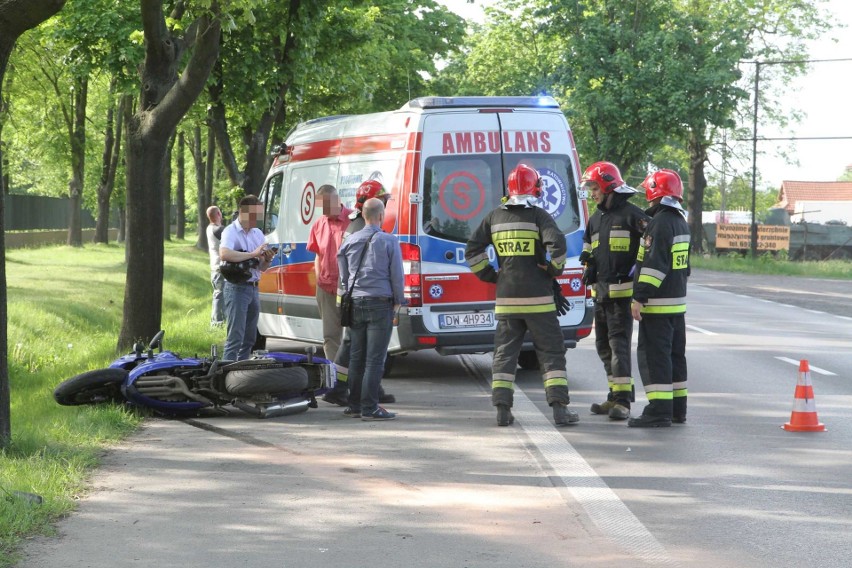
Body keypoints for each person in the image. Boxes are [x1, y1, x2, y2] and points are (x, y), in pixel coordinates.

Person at [465, 163, 578, 427]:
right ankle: (560, 410)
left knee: (504, 353)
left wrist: (493, 275)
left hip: (507, 300)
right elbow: (557, 244)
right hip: (539, 300)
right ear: (535, 188)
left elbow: (473, 250)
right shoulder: (539, 216)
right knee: (551, 353)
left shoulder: (494, 217)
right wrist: (552, 270)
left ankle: (503, 409)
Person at [580, 162, 650, 421]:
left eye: (594, 187)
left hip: (622, 295)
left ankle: (623, 402)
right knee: (603, 346)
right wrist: (588, 261)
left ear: (608, 185)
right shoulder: (596, 218)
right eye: (589, 188)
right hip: (600, 293)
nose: (592, 193)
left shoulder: (634, 215)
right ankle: (614, 395)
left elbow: (652, 247)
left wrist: (639, 281)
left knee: (618, 346)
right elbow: (589, 243)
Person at [322, 179, 395, 406]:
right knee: (360, 347)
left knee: (353, 346)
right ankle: (344, 389)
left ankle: (342, 388)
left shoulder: (354, 225)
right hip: (362, 296)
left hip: (352, 296)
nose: (384, 203)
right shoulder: (362, 228)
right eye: (382, 199)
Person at [629, 169, 690, 428]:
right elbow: (684, 267)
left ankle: (658, 410)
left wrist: (639, 298)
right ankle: (677, 409)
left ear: (655, 191)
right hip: (676, 304)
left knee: (655, 358)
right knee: (675, 357)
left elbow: (654, 264)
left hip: (657, 305)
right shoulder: (680, 221)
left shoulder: (660, 222)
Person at [337, 197, 404, 421]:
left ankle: (354, 404)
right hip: (380, 303)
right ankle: (370, 407)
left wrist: (350, 291)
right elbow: (396, 275)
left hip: (355, 302)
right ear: (380, 216)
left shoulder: (349, 240)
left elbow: (343, 275)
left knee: (356, 357)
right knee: (375, 359)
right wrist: (398, 300)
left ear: (364, 216)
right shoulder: (388, 241)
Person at [219, 195, 275, 361]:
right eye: (253, 215)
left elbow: (262, 268)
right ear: (243, 212)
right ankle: (225, 374)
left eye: (258, 215)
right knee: (235, 337)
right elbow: (224, 253)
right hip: (236, 288)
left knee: (250, 338)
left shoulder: (257, 233)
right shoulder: (231, 231)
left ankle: (240, 372)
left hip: (253, 287)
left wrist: (267, 259)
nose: (256, 219)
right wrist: (253, 254)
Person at [307, 184, 352, 364]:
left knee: (352, 336)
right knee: (330, 337)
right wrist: (319, 278)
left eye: (326, 205)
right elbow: (318, 255)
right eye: (321, 206)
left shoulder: (354, 220)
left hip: (350, 289)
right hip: (326, 288)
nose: (324, 210)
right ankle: (336, 381)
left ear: (337, 200)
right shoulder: (319, 224)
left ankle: (353, 379)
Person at [206, 205, 226, 327]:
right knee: (219, 294)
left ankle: (219, 320)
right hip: (219, 267)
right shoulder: (218, 230)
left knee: (220, 293)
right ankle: (217, 322)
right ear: (218, 214)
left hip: (215, 267)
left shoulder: (210, 228)